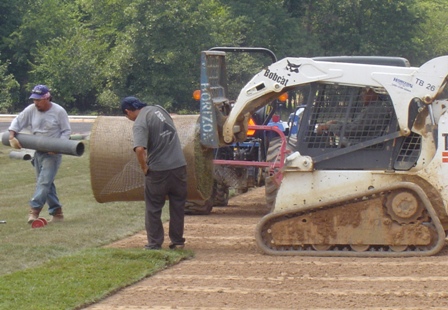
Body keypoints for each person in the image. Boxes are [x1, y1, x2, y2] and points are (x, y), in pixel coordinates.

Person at [121, 96, 187, 250]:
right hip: (179, 166)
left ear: (128, 111)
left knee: (153, 208)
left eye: (126, 115)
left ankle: (154, 243)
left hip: (159, 171)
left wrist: (144, 168)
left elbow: (139, 149)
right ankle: (177, 242)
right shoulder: (159, 109)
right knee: (178, 206)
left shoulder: (139, 123)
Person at [8, 85, 71, 223]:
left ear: (47, 98)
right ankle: (57, 213)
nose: (35, 103)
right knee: (46, 183)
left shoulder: (59, 111)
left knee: (43, 182)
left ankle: (34, 211)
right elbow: (18, 121)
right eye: (34, 100)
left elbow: (66, 131)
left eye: (38, 100)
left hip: (53, 153)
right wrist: (12, 135)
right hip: (38, 151)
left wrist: (59, 146)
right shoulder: (31, 109)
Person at [315, 88, 392, 145]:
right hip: (368, 140)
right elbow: (355, 125)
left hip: (366, 144)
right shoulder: (376, 107)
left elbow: (353, 130)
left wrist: (329, 127)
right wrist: (335, 122)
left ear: (373, 93)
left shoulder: (373, 110)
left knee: (342, 142)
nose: (362, 95)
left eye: (364, 92)